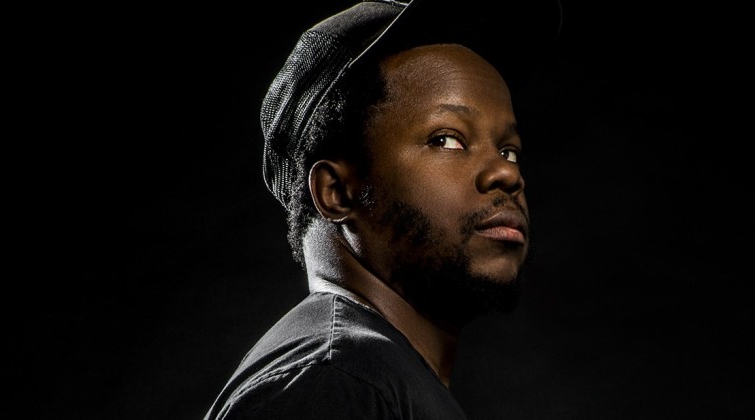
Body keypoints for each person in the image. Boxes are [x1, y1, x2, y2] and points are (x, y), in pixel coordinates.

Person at [204, 0, 560, 418]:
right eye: (446, 140)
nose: (505, 173)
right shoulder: (335, 381)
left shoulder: (375, 376)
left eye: (509, 150)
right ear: (336, 191)